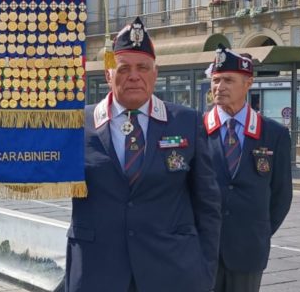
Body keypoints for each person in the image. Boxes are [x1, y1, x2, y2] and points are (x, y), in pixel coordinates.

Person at [65, 17, 221, 292]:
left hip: (172, 273)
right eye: (124, 68)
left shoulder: (187, 122)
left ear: (155, 73)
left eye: (142, 67)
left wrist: (204, 272)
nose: (134, 76)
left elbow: (208, 205)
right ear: (108, 74)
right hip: (97, 272)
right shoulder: (77, 123)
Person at [204, 45, 293, 292]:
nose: (219, 87)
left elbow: (281, 195)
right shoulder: (196, 129)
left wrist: (258, 232)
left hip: (248, 251)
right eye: (216, 80)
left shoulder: (274, 134)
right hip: (203, 249)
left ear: (248, 83)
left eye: (228, 80)